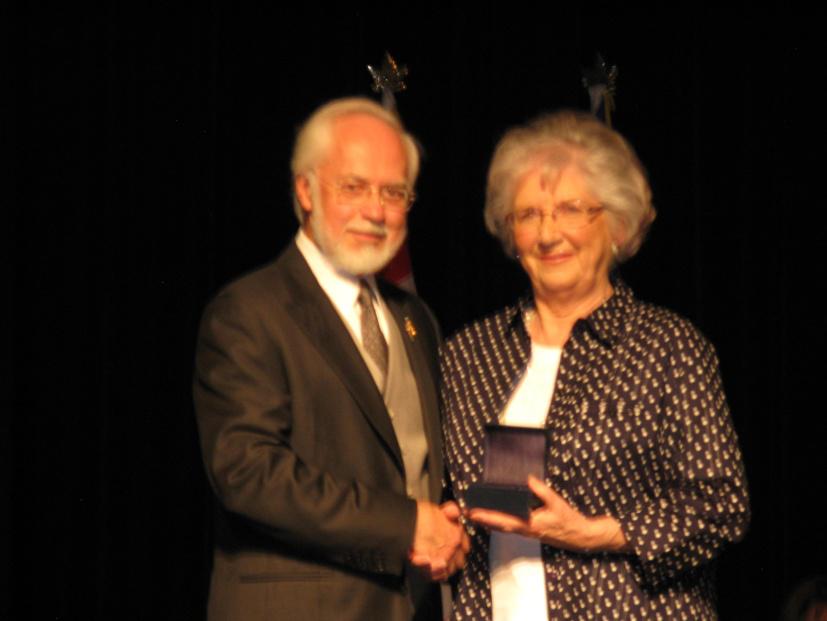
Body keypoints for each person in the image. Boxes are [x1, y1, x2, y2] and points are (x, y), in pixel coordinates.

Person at [440, 110, 750, 620]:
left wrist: (597, 532)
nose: (548, 234)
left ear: (617, 224)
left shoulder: (668, 348)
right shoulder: (467, 354)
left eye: (570, 210)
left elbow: (720, 507)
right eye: (528, 215)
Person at [194, 97, 468, 621]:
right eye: (353, 187)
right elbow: (249, 474)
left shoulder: (416, 319)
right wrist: (406, 524)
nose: (375, 210)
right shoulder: (249, 311)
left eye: (393, 192)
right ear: (305, 190)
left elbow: (421, 468)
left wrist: (447, 531)